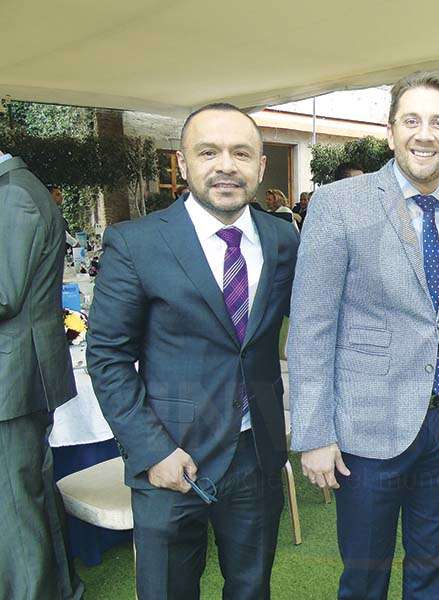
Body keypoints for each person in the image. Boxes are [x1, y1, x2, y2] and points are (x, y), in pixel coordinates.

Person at [86, 103, 299, 599]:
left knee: (251, 588)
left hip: (256, 449)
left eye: (241, 153)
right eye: (209, 152)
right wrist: (152, 449)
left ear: (260, 166)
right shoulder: (136, 243)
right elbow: (107, 356)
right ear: (183, 163)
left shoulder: (281, 237)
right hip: (170, 453)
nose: (226, 165)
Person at [287, 72, 439, 600]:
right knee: (365, 578)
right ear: (391, 131)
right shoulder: (338, 203)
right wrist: (314, 433)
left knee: (433, 575)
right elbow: (310, 325)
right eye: (412, 120)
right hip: (365, 431)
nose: (425, 134)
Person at [0, 150, 83, 599]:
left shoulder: (13, 195)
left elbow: (3, 294)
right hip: (17, 371)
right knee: (26, 495)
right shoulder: (15, 188)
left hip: (12, 375)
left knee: (14, 505)